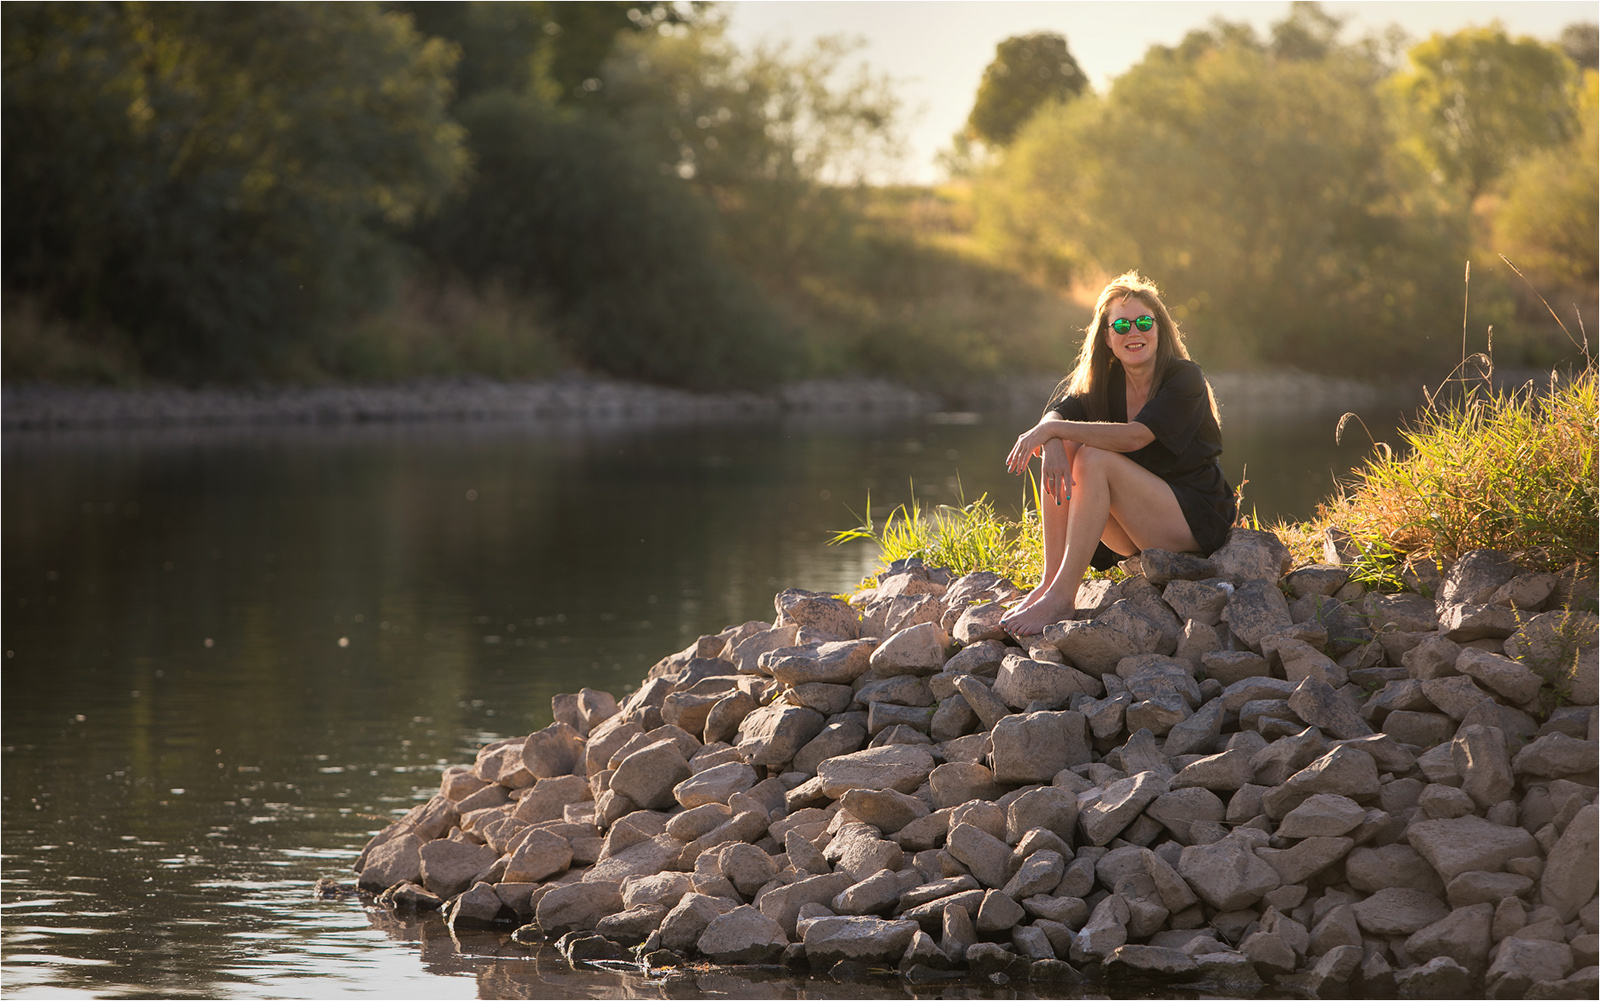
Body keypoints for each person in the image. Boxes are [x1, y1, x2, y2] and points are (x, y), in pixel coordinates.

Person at [999, 271, 1236, 637]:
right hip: (1135, 529)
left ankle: (1064, 596)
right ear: (1107, 338)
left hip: (1194, 518)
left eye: (1143, 321)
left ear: (1159, 329)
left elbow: (1135, 438)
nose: (1133, 332)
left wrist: (1052, 432)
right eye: (1121, 326)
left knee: (1093, 457)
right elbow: (1060, 412)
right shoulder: (1106, 382)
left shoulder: (1183, 377)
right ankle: (1049, 583)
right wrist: (1052, 439)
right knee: (1071, 444)